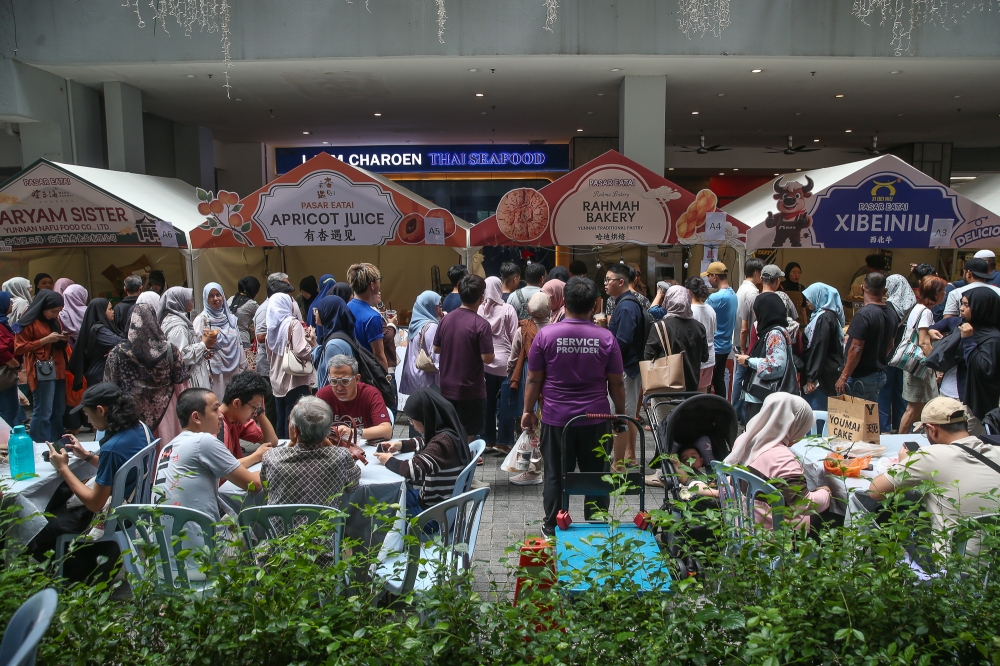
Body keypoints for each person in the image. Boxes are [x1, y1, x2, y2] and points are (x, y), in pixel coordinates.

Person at [521, 277, 626, 538]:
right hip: (596, 419)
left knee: (556, 476)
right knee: (596, 476)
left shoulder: (546, 335)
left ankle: (553, 526)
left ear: (564, 301)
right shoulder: (606, 338)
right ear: (594, 305)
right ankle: (597, 526)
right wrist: (619, 414)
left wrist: (528, 410)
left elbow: (534, 378)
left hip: (557, 421)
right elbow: (616, 383)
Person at [34, 383, 151, 581]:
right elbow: (121, 469)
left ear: (100, 410)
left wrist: (63, 468)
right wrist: (87, 456)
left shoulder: (112, 447)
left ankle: (72, 574)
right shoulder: (140, 427)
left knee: (37, 524)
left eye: (88, 415)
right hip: (133, 504)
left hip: (114, 513)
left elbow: (94, 502)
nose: (88, 420)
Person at [859, 397, 1000, 554]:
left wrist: (906, 463)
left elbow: (875, 491)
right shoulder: (996, 451)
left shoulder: (930, 456)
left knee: (897, 519)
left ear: (932, 429)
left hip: (954, 568)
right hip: (993, 566)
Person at [723, 393, 830, 530]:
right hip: (772, 532)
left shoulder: (743, 440)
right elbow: (801, 505)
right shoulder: (781, 457)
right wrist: (826, 493)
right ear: (792, 425)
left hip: (743, 522)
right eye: (803, 429)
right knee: (834, 514)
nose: (803, 435)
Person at [162, 387, 264, 521]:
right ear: (196, 417)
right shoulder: (204, 441)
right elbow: (254, 485)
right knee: (257, 525)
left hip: (162, 538)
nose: (221, 415)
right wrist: (272, 461)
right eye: (215, 409)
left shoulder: (168, 447)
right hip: (199, 537)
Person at [374, 388, 471, 514]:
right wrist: (400, 445)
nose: (412, 424)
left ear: (424, 416)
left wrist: (388, 460)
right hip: (440, 503)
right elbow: (426, 442)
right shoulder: (450, 432)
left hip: (434, 514)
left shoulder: (442, 443)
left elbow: (411, 470)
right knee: (393, 496)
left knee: (384, 505)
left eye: (412, 419)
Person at [104, 303, 190, 445]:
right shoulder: (170, 350)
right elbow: (182, 387)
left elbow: (109, 385)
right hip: (168, 416)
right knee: (165, 458)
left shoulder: (118, 352)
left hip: (130, 417)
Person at [260, 396, 361, 507]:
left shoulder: (271, 457)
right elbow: (353, 486)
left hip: (282, 524)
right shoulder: (341, 456)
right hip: (326, 524)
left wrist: (293, 441)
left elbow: (267, 491)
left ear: (295, 430)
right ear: (327, 431)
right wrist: (321, 435)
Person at [434, 275, 494, 440]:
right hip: (470, 389)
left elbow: (436, 348)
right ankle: (465, 463)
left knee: (448, 432)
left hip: (446, 385)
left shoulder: (446, 319)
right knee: (467, 436)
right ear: (482, 298)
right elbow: (487, 358)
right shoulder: (481, 324)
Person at [505, 293, 551, 485]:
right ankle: (546, 466)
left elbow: (514, 357)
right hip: (550, 384)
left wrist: (510, 374)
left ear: (529, 310)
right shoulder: (555, 330)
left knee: (529, 426)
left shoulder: (523, 330)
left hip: (528, 379)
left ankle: (532, 470)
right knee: (545, 425)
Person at [14, 290, 70, 443]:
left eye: (58, 311)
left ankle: (57, 443)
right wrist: (45, 340)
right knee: (44, 410)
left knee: (58, 409)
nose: (55, 314)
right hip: (41, 370)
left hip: (58, 368)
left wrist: (61, 337)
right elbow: (19, 347)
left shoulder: (55, 321)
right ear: (43, 306)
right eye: (53, 311)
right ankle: (39, 444)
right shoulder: (28, 321)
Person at [836, 272, 899, 404]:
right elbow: (890, 345)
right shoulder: (892, 313)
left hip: (859, 377)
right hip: (879, 375)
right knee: (867, 418)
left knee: (851, 420)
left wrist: (844, 376)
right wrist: (876, 358)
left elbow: (856, 348)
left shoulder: (864, 314)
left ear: (862, 287)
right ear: (885, 290)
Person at [606, 263, 645, 465]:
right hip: (626, 367)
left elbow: (623, 341)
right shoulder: (624, 303)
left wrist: (607, 362)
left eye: (608, 280)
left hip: (626, 368)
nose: (605, 284)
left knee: (621, 415)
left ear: (621, 282)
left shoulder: (627, 305)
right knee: (622, 414)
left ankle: (619, 463)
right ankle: (627, 457)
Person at [898, 276, 947, 435]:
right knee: (913, 410)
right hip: (920, 366)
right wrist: (937, 366)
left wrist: (931, 332)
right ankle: (900, 441)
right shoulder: (925, 312)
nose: (944, 294)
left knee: (918, 409)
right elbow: (924, 343)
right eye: (942, 291)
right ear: (935, 293)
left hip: (913, 365)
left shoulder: (918, 308)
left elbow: (919, 333)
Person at [735, 293, 795, 423]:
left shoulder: (774, 334)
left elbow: (775, 366)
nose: (756, 315)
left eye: (757, 311)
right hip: (764, 398)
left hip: (764, 399)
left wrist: (748, 361)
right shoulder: (775, 331)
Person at [265, 292, 317, 439]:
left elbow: (270, 353)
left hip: (276, 376)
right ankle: (293, 449)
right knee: (294, 418)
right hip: (293, 378)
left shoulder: (271, 326)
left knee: (281, 417)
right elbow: (301, 350)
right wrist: (313, 345)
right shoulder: (293, 323)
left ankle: (280, 448)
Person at [479, 276, 519, 453]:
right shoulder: (508, 309)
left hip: (485, 363)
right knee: (506, 403)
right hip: (506, 364)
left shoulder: (480, 309)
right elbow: (514, 337)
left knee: (487, 403)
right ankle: (503, 442)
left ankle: (487, 440)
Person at [644, 285, 708, 392]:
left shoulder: (659, 326)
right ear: (688, 301)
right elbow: (704, 357)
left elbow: (648, 356)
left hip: (664, 388)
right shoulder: (699, 327)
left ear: (668, 301)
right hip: (691, 388)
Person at [316, 355, 393, 441]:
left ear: (357, 379)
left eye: (345, 381)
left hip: (363, 449)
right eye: (334, 381)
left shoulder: (370, 394)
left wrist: (353, 432)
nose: (339, 388)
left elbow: (387, 431)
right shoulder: (323, 395)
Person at [192, 282, 246, 400]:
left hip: (235, 369)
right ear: (205, 298)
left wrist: (243, 364)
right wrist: (206, 371)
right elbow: (196, 346)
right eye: (211, 296)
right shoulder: (201, 321)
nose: (215, 298)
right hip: (215, 373)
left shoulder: (230, 319)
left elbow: (239, 343)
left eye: (218, 295)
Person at [878, 274, 917, 433]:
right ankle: (901, 428)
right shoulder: (915, 306)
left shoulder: (889, 307)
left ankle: (884, 429)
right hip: (906, 358)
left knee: (884, 394)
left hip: (887, 356)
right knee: (902, 394)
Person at [800, 283, 846, 412]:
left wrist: (811, 377)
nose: (807, 302)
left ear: (819, 297)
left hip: (822, 375)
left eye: (809, 298)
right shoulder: (827, 316)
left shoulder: (824, 318)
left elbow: (819, 348)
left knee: (817, 414)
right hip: (827, 371)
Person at [216, 370, 277, 465]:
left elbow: (271, 442)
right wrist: (256, 456)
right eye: (254, 408)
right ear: (237, 403)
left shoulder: (237, 420)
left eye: (258, 409)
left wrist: (258, 410)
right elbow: (223, 469)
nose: (255, 414)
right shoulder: (218, 426)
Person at [959, 287, 1000, 422]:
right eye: (962, 303)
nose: (961, 308)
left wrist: (968, 340)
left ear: (981, 307)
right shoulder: (969, 327)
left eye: (967, 305)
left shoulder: (993, 338)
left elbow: (984, 368)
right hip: (957, 394)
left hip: (976, 406)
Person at [67, 298, 123, 391]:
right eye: (110, 309)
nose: (113, 312)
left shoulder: (101, 327)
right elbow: (121, 342)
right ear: (101, 312)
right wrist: (115, 347)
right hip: (100, 374)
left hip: (99, 373)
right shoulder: (99, 329)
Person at [733, 258, 764, 420]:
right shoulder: (752, 293)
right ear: (757, 273)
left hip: (739, 341)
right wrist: (745, 349)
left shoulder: (742, 289)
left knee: (740, 377)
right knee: (742, 378)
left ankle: (737, 411)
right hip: (744, 344)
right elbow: (746, 327)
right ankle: (738, 412)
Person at [703, 262, 738, 399]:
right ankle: (721, 411)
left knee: (707, 382)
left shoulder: (716, 298)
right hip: (725, 345)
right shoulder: (733, 294)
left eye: (709, 277)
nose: (709, 280)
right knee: (719, 380)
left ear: (715, 276)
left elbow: (701, 312)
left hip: (714, 347)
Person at [346, 263, 390, 372]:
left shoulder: (346, 308)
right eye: (379, 279)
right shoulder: (373, 317)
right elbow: (379, 355)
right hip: (367, 373)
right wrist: (385, 380)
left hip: (349, 369)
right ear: (372, 284)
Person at [400, 290, 441, 395]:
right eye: (438, 305)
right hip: (428, 380)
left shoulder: (415, 323)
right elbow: (436, 357)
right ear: (430, 306)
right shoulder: (432, 326)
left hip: (415, 376)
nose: (441, 308)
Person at [311, 295, 356, 390]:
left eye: (317, 310)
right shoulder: (338, 336)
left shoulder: (334, 345)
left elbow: (334, 384)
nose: (315, 313)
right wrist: (313, 343)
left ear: (327, 312)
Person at [686, 277, 717, 392]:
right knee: (702, 393)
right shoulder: (711, 310)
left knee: (689, 395)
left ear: (689, 291)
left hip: (693, 359)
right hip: (709, 358)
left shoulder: (688, 311)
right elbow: (713, 332)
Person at [0, 292, 19, 428]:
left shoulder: (3, 322)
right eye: (9, 302)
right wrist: (15, 365)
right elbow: (1, 350)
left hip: (6, 373)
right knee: (8, 410)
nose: (11, 304)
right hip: (4, 373)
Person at [227, 276, 261, 349]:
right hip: (242, 340)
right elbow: (263, 317)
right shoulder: (252, 304)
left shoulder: (232, 298)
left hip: (227, 338)